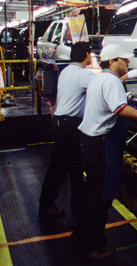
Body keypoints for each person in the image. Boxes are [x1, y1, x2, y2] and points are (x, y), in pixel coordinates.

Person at [71, 44, 137, 262]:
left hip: (91, 143)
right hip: (101, 147)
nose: (129, 62)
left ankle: (81, 239)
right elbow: (120, 110)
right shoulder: (112, 81)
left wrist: (125, 86)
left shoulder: (101, 79)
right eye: (125, 59)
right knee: (100, 198)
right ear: (113, 61)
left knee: (94, 195)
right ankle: (89, 246)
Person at [38, 42, 96, 220]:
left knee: (77, 165)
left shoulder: (67, 71)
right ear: (87, 55)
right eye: (91, 54)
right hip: (68, 126)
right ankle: (46, 205)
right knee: (59, 168)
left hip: (60, 123)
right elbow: (102, 84)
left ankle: (77, 200)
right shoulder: (83, 74)